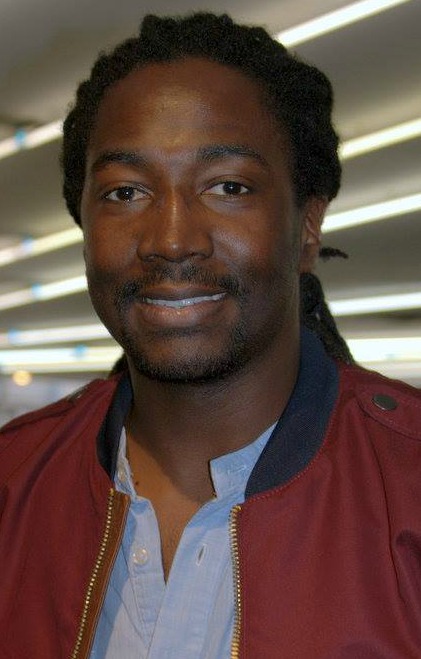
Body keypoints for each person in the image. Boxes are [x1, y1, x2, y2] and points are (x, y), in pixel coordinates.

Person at [1, 12, 420, 659]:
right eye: (125, 192)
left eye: (228, 186)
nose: (171, 240)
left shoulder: (407, 491)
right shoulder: (14, 483)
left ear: (307, 225)